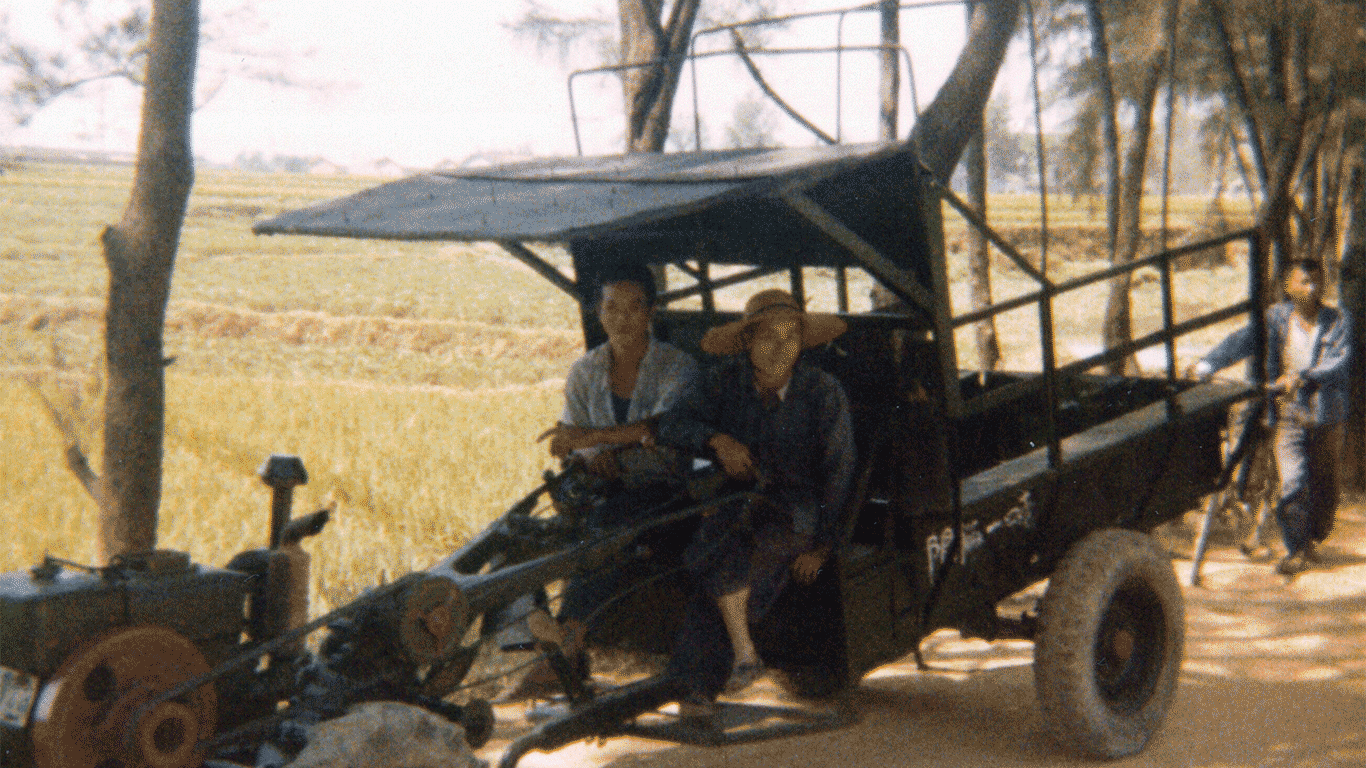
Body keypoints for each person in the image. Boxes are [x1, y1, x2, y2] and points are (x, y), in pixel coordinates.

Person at [499, 263, 698, 700]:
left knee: (607, 527)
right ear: (598, 312)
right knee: (517, 534)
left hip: (667, 495)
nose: (622, 318)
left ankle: (565, 650)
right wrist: (591, 454)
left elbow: (653, 431)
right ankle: (537, 644)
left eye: (634, 307)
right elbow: (570, 442)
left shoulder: (677, 368)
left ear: (650, 312)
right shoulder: (585, 371)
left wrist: (587, 443)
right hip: (597, 491)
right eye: (611, 307)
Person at [656, 288, 856, 715]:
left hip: (794, 516)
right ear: (747, 342)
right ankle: (723, 667)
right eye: (769, 337)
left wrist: (823, 545)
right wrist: (716, 439)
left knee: (740, 566)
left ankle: (695, 684)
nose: (782, 347)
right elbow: (671, 423)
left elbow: (839, 473)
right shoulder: (721, 382)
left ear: (802, 342)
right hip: (734, 504)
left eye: (791, 337)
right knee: (709, 557)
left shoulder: (823, 392)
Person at [1189, 258, 1354, 575]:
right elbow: (1243, 340)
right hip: (1288, 411)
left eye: (1317, 281)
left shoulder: (1336, 320)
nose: (1312, 288)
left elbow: (1337, 362)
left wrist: (1301, 376)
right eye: (1304, 282)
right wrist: (1208, 364)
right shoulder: (1276, 317)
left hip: (1326, 413)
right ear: (1288, 287)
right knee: (1292, 480)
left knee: (1325, 485)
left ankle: (1313, 537)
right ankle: (1297, 548)